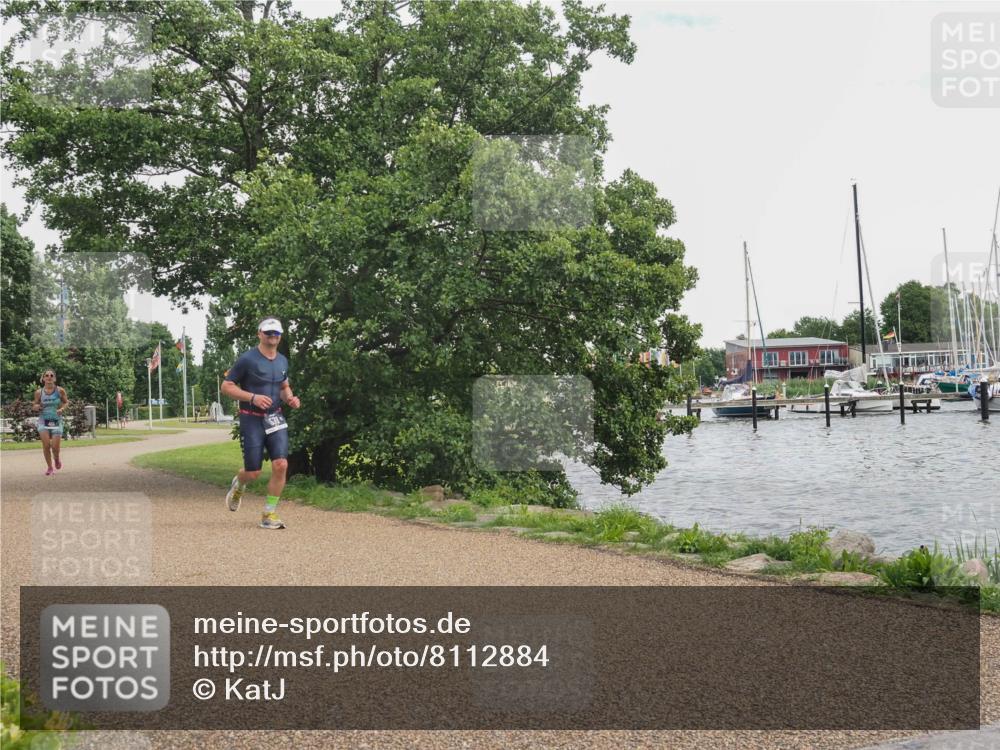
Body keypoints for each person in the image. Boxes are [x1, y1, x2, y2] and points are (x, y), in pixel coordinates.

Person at [221, 317, 301, 529]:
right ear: (259, 334)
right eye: (268, 333)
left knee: (281, 464)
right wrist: (253, 397)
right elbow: (226, 386)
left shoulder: (283, 360)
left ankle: (269, 514)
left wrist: (290, 398)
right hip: (252, 418)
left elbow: (284, 387)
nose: (272, 336)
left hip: (275, 417)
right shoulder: (248, 359)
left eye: (276, 333)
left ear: (280, 336)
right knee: (253, 472)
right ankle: (239, 483)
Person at [33, 369, 68, 476]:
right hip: (43, 420)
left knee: (55, 447)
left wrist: (61, 409)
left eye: (51, 375)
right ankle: (49, 467)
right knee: (46, 445)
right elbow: (34, 405)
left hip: (56, 420)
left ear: (55, 378)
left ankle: (56, 459)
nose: (49, 377)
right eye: (46, 375)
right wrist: (37, 407)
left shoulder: (60, 391)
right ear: (43, 378)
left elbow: (66, 402)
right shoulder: (39, 392)